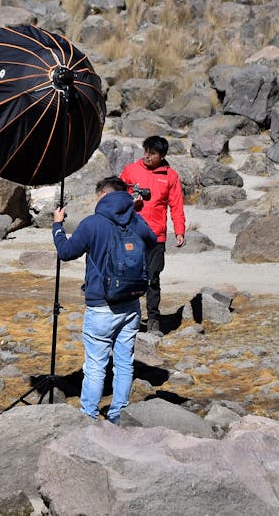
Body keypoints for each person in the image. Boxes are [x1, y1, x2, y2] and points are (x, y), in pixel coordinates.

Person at [53, 176, 158, 422]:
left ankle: (88, 416)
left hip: (101, 305)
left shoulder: (93, 223)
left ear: (102, 195)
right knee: (124, 363)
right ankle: (118, 414)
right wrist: (136, 213)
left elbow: (66, 252)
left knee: (96, 366)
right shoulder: (135, 219)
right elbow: (152, 242)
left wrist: (58, 226)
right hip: (131, 303)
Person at [119, 135, 186, 333]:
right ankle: (126, 319)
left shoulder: (170, 176)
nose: (147, 156)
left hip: (156, 237)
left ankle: (153, 321)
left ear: (162, 155)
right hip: (130, 233)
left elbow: (176, 206)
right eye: (145, 151)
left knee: (153, 278)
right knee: (127, 276)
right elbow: (117, 197)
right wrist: (131, 201)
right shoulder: (130, 170)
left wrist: (179, 230)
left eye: (152, 153)